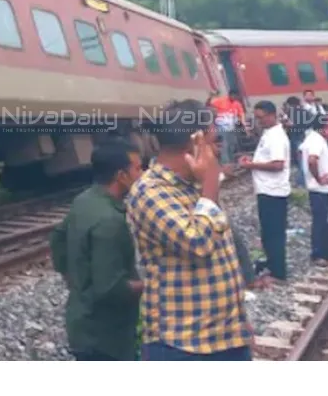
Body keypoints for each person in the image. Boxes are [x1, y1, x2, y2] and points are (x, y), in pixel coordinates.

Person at [125, 99, 252, 360]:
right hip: (183, 344)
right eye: (215, 142)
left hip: (224, 337)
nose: (218, 151)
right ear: (196, 142)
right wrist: (209, 184)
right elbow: (198, 244)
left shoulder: (190, 186)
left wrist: (238, 325)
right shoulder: (150, 192)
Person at [50, 140, 144, 360]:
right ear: (121, 176)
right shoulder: (110, 221)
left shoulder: (84, 200)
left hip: (81, 324)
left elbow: (57, 240)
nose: (143, 174)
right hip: (106, 337)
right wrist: (153, 286)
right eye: (138, 168)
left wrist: (75, 280)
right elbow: (111, 288)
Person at [238, 100, 291, 283]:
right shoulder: (269, 133)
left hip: (273, 192)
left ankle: (278, 273)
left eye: (261, 118)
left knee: (274, 234)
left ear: (271, 115)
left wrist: (251, 165)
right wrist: (253, 160)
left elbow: (278, 164)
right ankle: (272, 265)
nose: (258, 122)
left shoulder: (276, 136)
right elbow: (268, 159)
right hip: (267, 191)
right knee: (268, 234)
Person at [298, 109, 328, 266]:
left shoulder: (311, 138)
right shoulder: (316, 141)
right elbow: (312, 160)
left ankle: (320, 251)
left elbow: (302, 156)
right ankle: (318, 253)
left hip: (318, 188)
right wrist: (318, 178)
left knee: (320, 219)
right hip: (319, 189)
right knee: (320, 221)